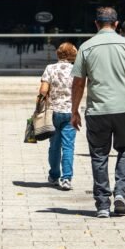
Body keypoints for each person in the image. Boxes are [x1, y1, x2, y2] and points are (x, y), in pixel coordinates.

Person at [71, 7, 125, 218]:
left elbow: (78, 83)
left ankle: (103, 204)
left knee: (99, 155)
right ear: (116, 24)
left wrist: (74, 110)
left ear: (96, 24)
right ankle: (121, 193)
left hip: (98, 110)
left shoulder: (86, 47)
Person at [38, 42, 78, 191]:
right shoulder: (76, 69)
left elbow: (43, 90)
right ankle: (66, 178)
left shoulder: (50, 68)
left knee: (54, 146)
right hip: (70, 112)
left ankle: (54, 176)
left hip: (53, 112)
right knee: (68, 146)